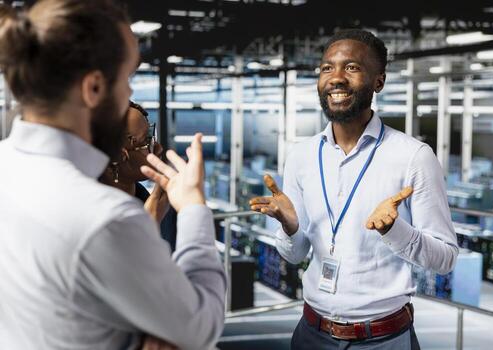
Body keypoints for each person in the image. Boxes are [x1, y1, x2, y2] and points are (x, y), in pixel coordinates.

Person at [0, 1, 225, 350]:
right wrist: (194, 207)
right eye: (126, 79)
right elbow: (202, 325)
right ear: (93, 89)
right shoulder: (104, 218)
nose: (130, 95)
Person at [250, 29, 458, 349]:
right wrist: (290, 228)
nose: (336, 77)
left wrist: (395, 230)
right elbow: (294, 256)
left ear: (379, 81)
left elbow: (445, 259)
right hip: (311, 334)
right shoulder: (301, 156)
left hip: (383, 339)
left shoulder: (413, 156)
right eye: (326, 68)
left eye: (351, 67)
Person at [100, 101, 178, 252]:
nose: (158, 147)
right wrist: (148, 228)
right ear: (120, 155)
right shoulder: (94, 218)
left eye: (152, 135)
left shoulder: (160, 205)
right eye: (146, 141)